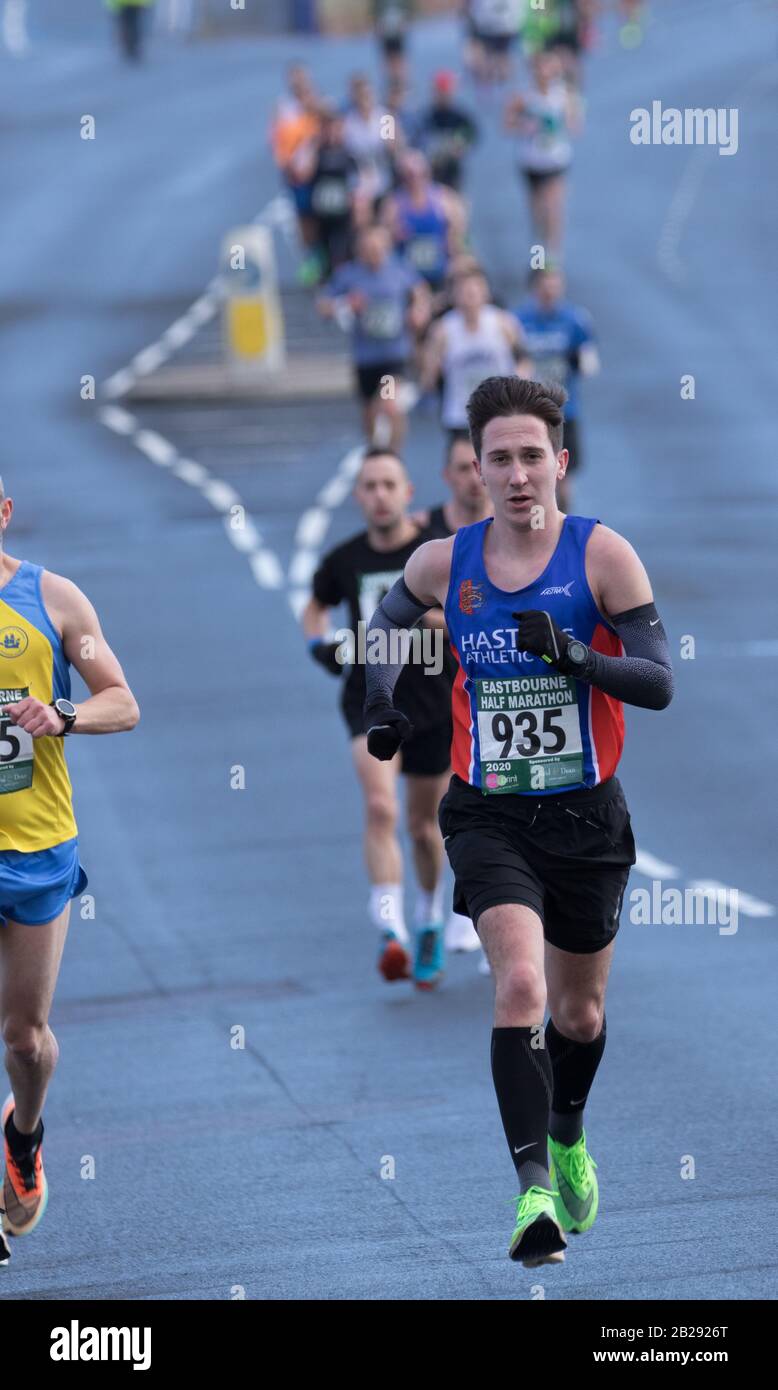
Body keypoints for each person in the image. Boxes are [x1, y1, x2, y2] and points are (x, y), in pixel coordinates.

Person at [361, 376, 673, 1265]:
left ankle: (568, 1131)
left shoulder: (603, 556)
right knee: (523, 990)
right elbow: (382, 629)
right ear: (475, 470)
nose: (517, 473)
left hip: (588, 820)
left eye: (533, 455)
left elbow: (657, 682)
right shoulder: (442, 562)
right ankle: (532, 1190)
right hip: (490, 814)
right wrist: (385, 706)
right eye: (499, 458)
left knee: (579, 1016)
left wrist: (576, 655)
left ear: (560, 463)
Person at [0, 478, 139, 1246]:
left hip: (36, 847)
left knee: (25, 1038)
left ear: (4, 511)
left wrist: (63, 715)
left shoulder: (52, 599)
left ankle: (24, 1133)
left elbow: (123, 699)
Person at [303, 450, 453, 989]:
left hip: (434, 701)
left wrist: (421, 621)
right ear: (357, 496)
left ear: (408, 492)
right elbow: (315, 606)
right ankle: (392, 932)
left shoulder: (432, 556)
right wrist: (319, 645)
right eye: (369, 486)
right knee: (379, 806)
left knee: (423, 826)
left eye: (389, 484)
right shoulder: (345, 560)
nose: (380, 494)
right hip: (370, 699)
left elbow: (464, 611)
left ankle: (431, 916)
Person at [317, 224, 430, 452]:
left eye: (378, 249)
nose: (374, 254)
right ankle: (375, 452)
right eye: (368, 249)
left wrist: (418, 312)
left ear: (387, 247)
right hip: (365, 357)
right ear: (359, 250)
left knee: (389, 406)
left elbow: (420, 292)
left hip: (393, 356)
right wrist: (345, 303)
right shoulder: (348, 275)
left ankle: (394, 454)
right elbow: (323, 306)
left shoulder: (399, 270)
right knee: (369, 412)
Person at [513, 266, 599, 509]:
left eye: (554, 284)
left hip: (564, 411)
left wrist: (576, 360)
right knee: (529, 475)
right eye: (544, 285)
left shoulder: (575, 320)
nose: (549, 290)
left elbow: (590, 365)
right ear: (534, 288)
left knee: (562, 477)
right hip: (530, 411)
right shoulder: (518, 321)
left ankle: (560, 525)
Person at [420, 267, 525, 433]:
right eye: (464, 291)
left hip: (499, 412)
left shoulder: (504, 323)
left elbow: (524, 360)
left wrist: (516, 388)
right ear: (454, 296)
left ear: (485, 293)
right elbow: (428, 378)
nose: (470, 296)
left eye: (474, 290)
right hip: (460, 414)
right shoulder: (442, 330)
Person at [504, 49, 581, 260]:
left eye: (548, 67)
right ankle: (538, 254)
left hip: (556, 160)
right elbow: (506, 125)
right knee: (537, 213)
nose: (544, 72)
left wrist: (564, 120)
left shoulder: (564, 95)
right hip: (531, 161)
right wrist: (524, 124)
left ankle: (553, 256)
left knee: (554, 208)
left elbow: (575, 126)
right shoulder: (523, 97)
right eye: (539, 68)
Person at [383, 151, 466, 294]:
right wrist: (393, 233)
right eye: (409, 175)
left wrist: (453, 245)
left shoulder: (444, 198)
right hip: (406, 276)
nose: (414, 179)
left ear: (427, 173)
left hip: (441, 268)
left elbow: (459, 234)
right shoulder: (393, 204)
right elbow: (384, 241)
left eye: (418, 174)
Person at [270, 68, 324, 285]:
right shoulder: (283, 109)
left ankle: (326, 256)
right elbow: (277, 141)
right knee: (304, 219)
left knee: (323, 216)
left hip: (321, 172)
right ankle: (312, 260)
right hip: (296, 174)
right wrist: (288, 165)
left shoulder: (318, 104)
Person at [301, 108, 360, 277]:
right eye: (327, 128)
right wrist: (313, 145)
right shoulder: (316, 152)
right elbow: (303, 174)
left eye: (335, 128)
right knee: (322, 253)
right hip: (321, 213)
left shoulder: (348, 153)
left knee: (343, 251)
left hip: (342, 212)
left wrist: (355, 204)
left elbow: (356, 182)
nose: (331, 133)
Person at [416, 71, 479, 192]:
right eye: (440, 92)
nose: (443, 96)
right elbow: (418, 140)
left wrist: (462, 145)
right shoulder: (426, 116)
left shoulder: (460, 117)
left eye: (446, 93)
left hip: (452, 172)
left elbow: (472, 134)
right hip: (430, 172)